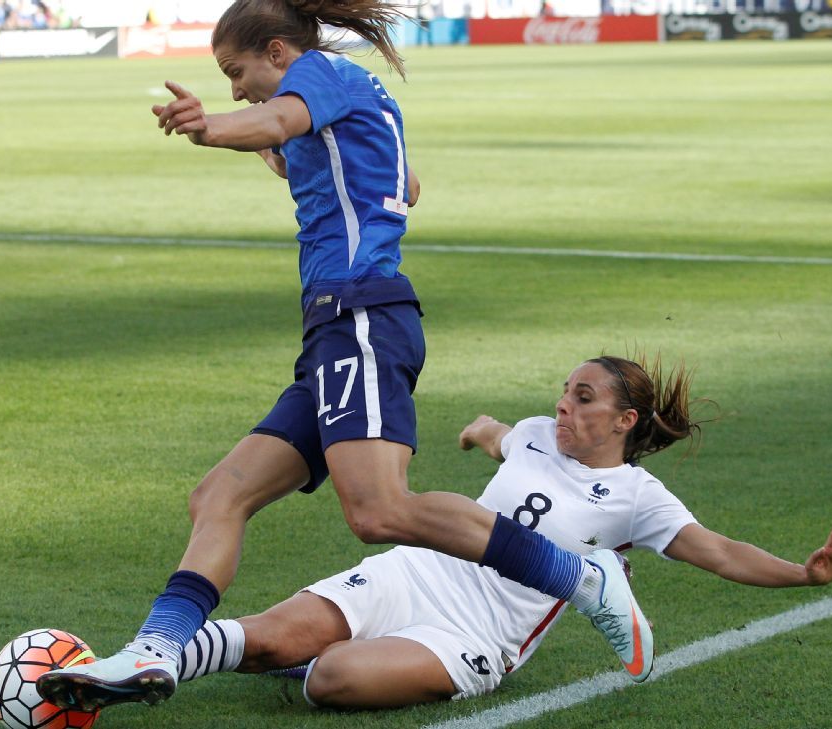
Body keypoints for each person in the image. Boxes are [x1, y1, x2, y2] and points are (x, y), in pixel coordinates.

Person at [39, 0, 654, 713]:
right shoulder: (349, 94)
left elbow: (273, 120)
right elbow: (405, 184)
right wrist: (295, 150)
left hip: (362, 314)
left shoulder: (324, 72)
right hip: (337, 327)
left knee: (379, 509)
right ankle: (155, 648)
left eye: (236, 72)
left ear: (277, 51)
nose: (236, 88)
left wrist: (213, 128)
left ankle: (579, 575)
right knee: (219, 495)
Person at [165, 355, 832, 709]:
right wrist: (477, 431)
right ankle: (146, 665)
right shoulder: (534, 435)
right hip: (413, 572)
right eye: (565, 390)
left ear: (624, 421)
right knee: (265, 635)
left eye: (583, 398)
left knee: (332, 678)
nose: (563, 403)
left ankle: (307, 660)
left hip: (474, 637)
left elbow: (718, 551)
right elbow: (498, 433)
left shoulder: (637, 497)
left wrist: (803, 572)